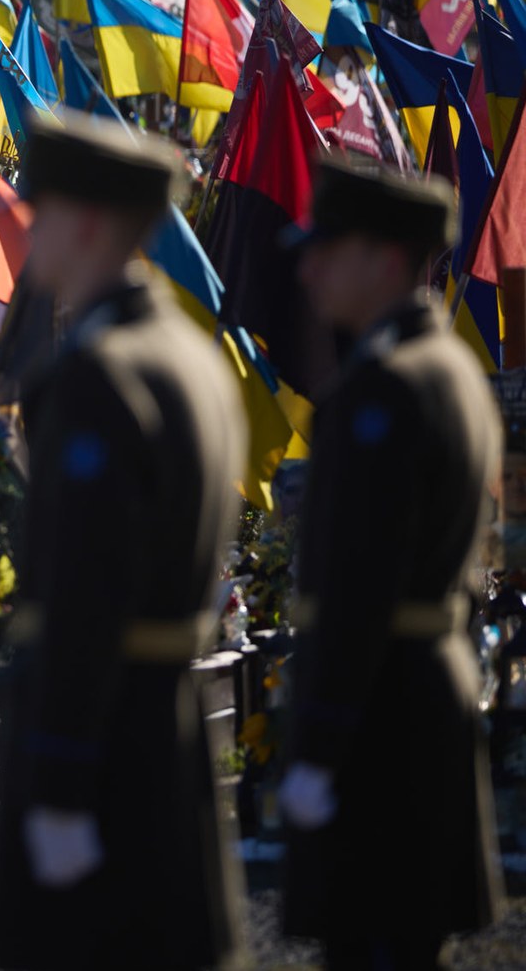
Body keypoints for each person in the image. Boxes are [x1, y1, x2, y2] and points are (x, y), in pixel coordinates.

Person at [0, 115, 245, 971]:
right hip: (163, 731)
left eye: (44, 208)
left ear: (89, 223)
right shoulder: (187, 358)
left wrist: (57, 777)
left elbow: (84, 595)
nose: (27, 224)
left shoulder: (98, 376)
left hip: (101, 751)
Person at [281, 157, 502, 971]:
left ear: (383, 260)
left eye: (329, 248)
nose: (309, 268)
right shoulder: (446, 368)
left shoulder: (383, 388)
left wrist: (319, 747)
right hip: (421, 695)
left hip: (378, 718)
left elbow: (358, 588)